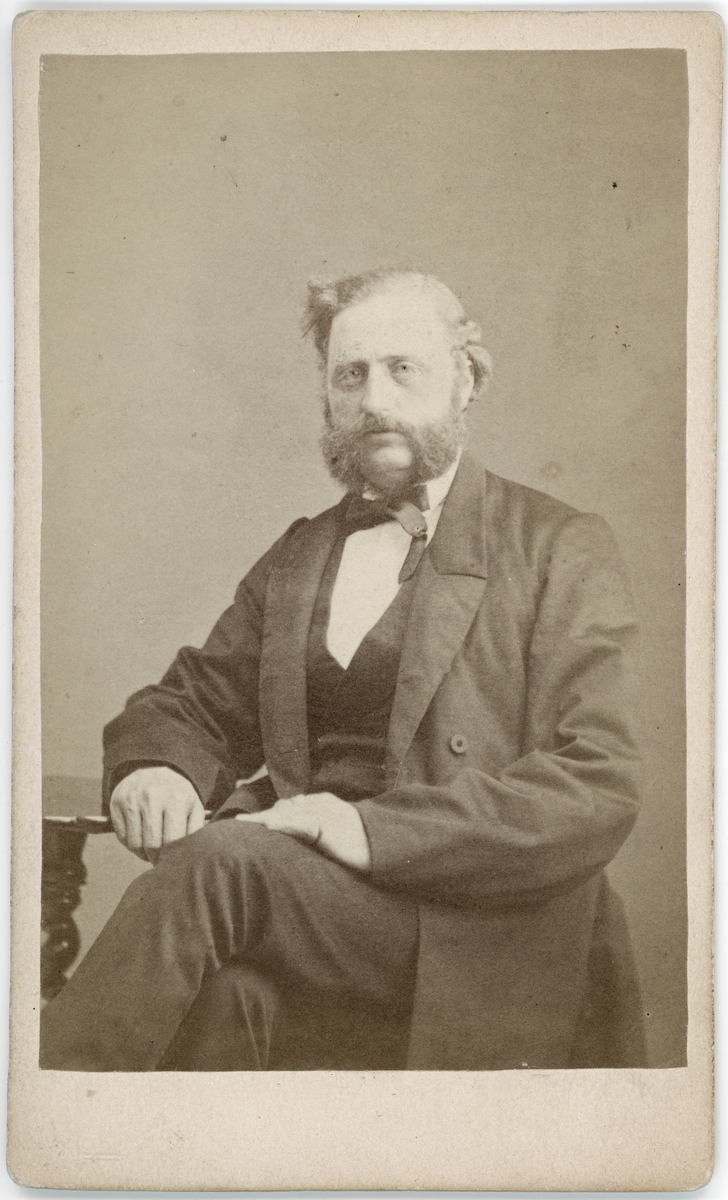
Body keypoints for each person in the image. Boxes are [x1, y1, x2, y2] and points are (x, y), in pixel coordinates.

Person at [40, 268, 646, 1072]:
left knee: (219, 864)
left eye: (404, 368)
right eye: (350, 375)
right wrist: (159, 766)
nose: (374, 399)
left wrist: (364, 829)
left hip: (472, 922)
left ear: (468, 379)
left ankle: (48, 1111)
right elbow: (196, 701)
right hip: (321, 906)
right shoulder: (303, 554)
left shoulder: (558, 545)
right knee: (222, 1000)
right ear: (327, 397)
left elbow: (597, 784)